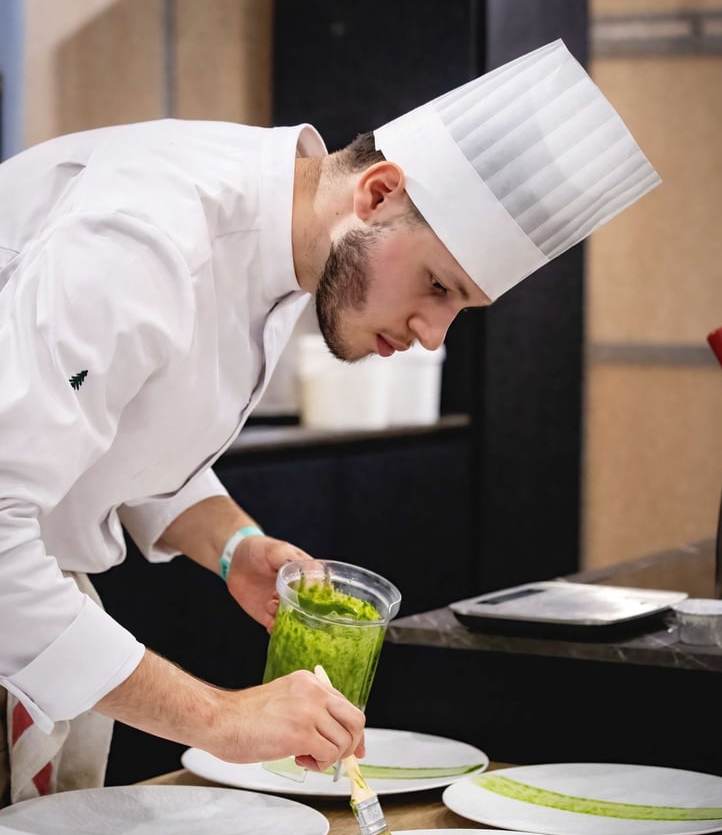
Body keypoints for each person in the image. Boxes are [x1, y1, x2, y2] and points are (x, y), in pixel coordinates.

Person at [0, 39, 660, 804]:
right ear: (377, 193)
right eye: (436, 285)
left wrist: (233, 545)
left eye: (460, 308)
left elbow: (110, 432)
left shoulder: (283, 244)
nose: (433, 333)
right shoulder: (144, 241)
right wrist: (220, 717)